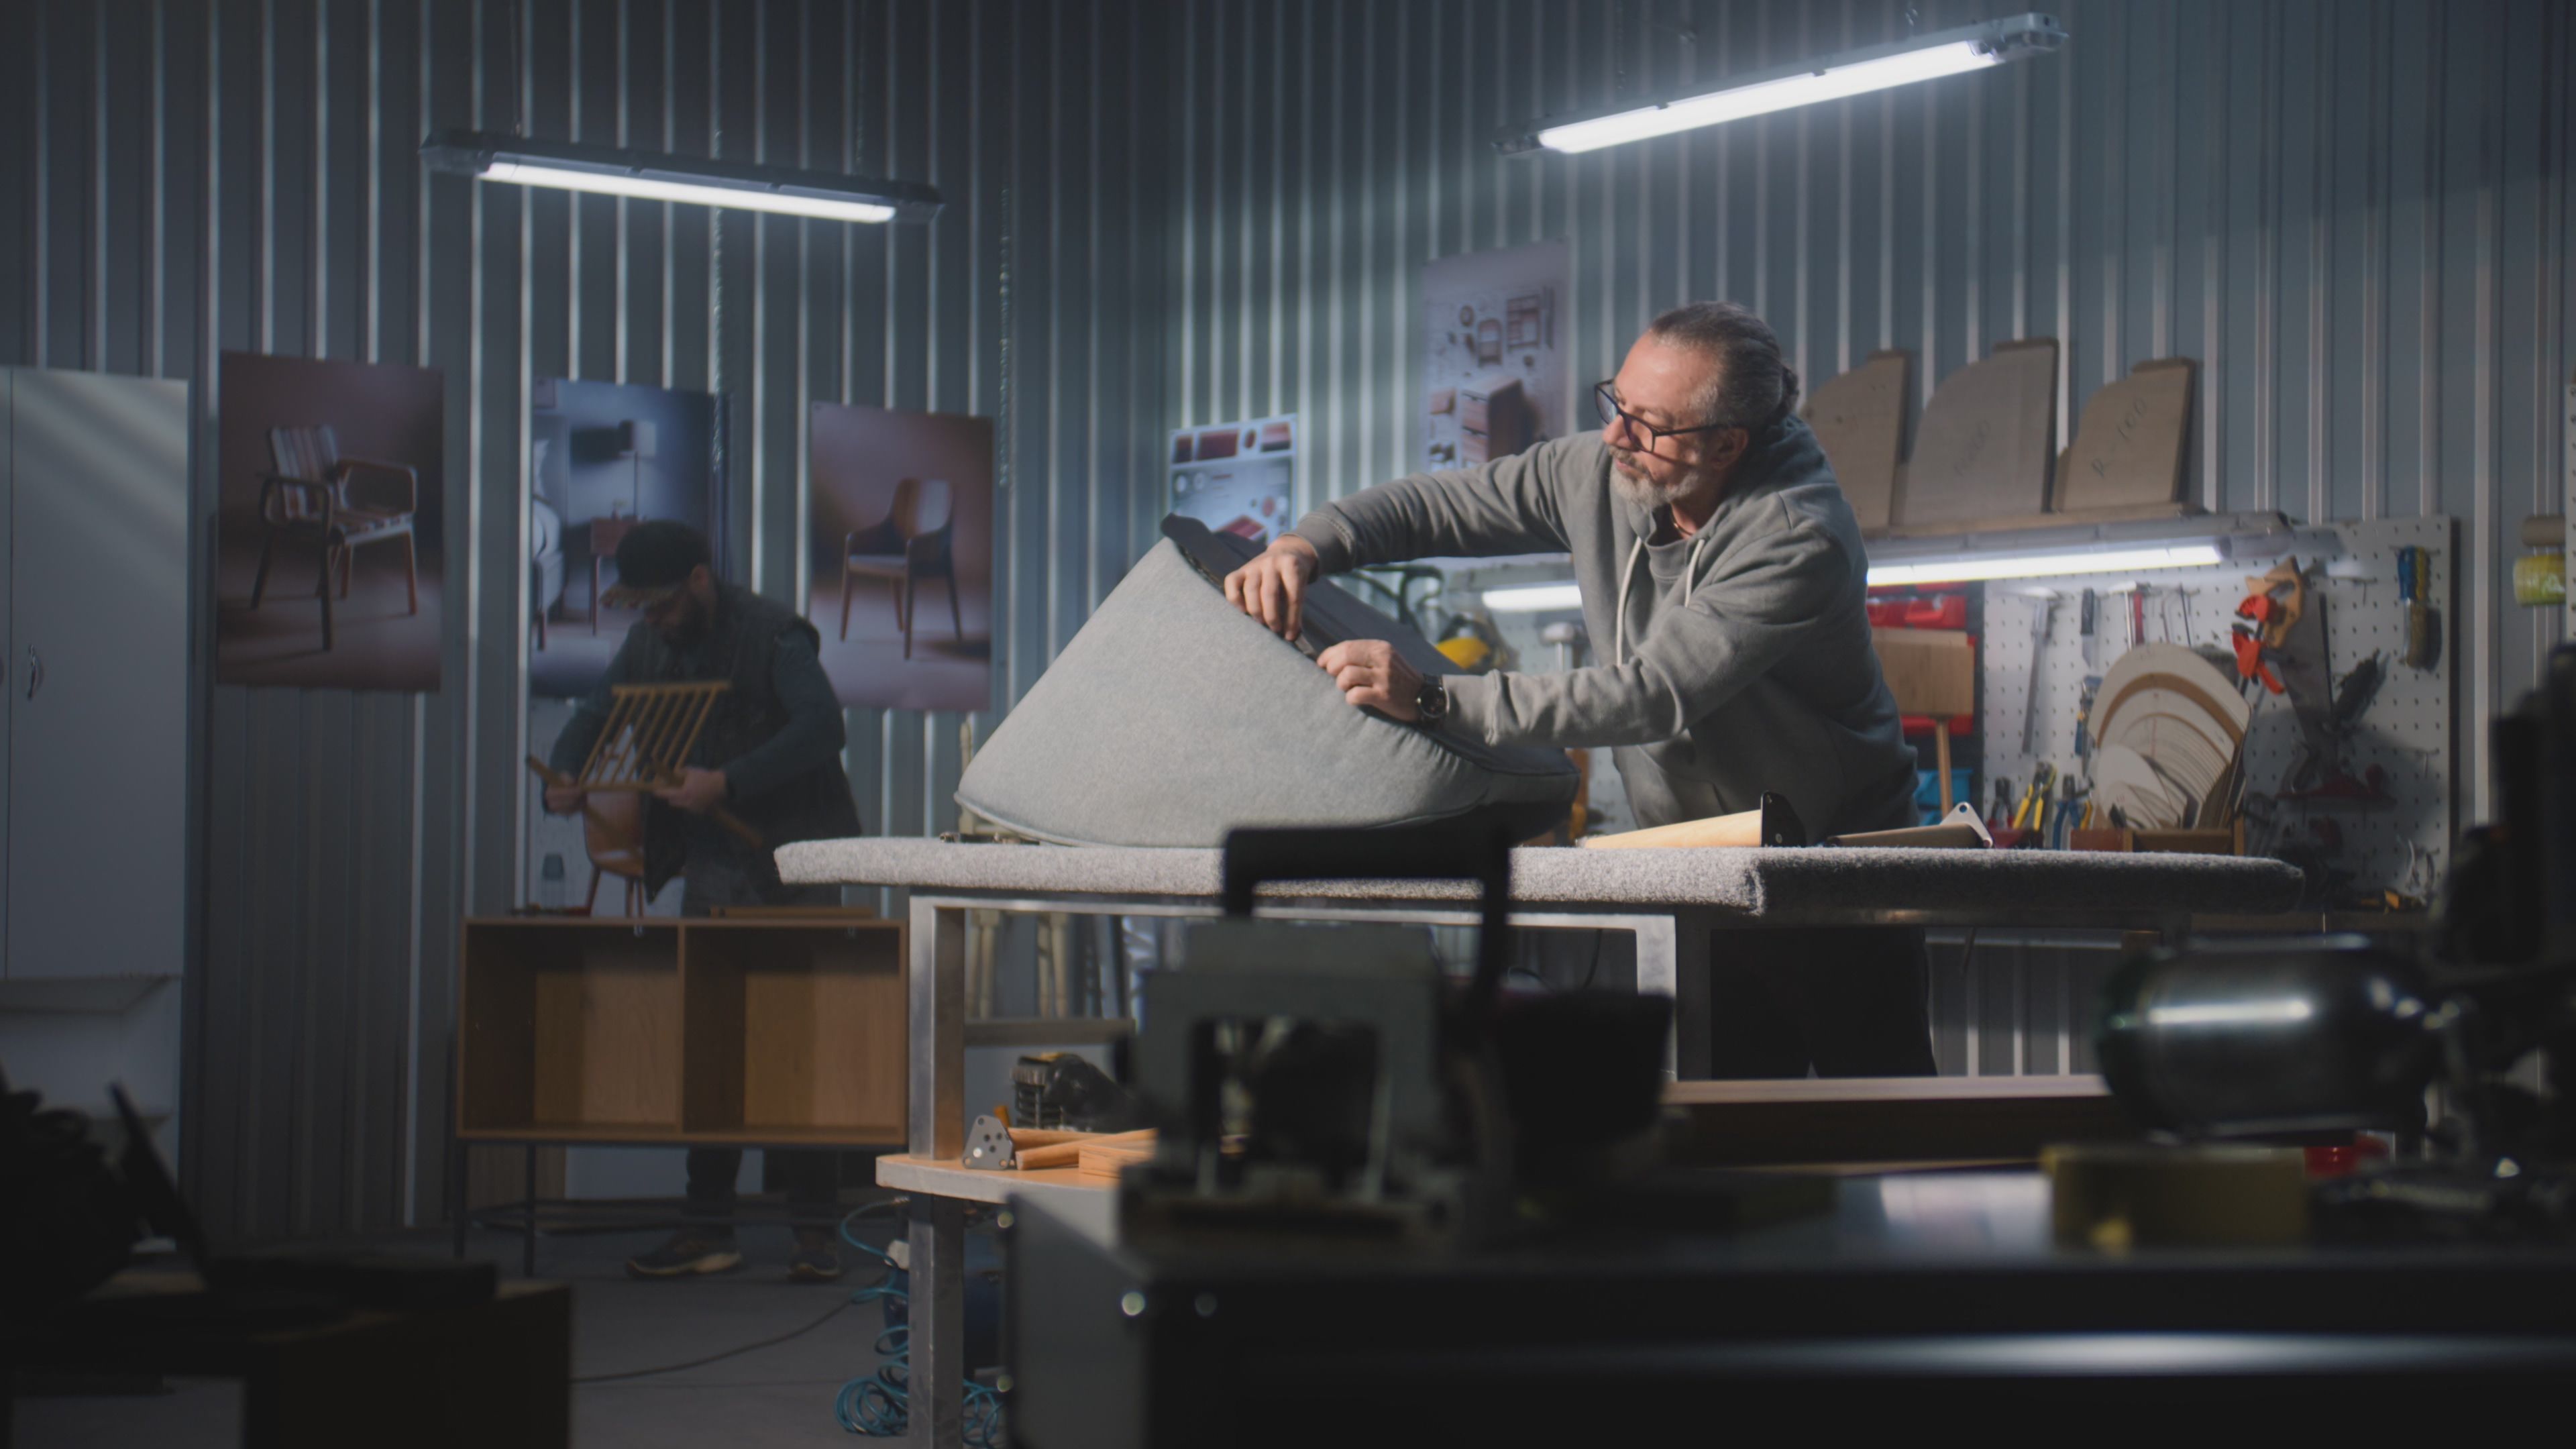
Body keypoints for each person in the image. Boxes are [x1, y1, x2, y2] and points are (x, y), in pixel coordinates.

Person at [1222, 301, 1937, 1079]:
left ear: (1728, 443)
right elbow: (1439, 507)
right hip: (1705, 875)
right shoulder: (1607, 467)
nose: (1615, 438)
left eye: (1649, 425)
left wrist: (1434, 698)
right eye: (1616, 404)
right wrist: (1306, 545)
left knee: (1879, 1125)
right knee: (1729, 1124)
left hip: (1834, 880)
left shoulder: (1797, 534)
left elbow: (1651, 693)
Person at [543, 521, 865, 1281]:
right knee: (711, 1043)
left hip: (796, 861)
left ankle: (815, 1234)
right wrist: (566, 770)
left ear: (697, 580)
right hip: (713, 865)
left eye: (658, 605)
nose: (649, 622)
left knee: (799, 1049)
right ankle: (706, 1229)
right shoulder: (651, 641)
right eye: (641, 611)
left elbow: (824, 727)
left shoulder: (774, 633)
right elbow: (595, 713)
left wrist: (729, 782)